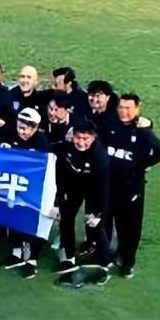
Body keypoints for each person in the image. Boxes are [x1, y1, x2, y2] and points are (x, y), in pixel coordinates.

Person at [100, 94, 160, 278]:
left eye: (128, 108)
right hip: (109, 184)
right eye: (121, 107)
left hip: (131, 188)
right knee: (105, 220)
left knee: (129, 227)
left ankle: (128, 261)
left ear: (137, 109)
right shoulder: (110, 124)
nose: (124, 112)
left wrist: (141, 165)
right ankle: (106, 256)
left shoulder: (142, 130)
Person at [50, 119, 112, 286]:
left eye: (86, 139)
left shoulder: (100, 157)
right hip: (72, 187)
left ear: (93, 138)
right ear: (73, 135)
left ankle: (105, 264)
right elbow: (59, 175)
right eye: (78, 138)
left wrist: (98, 213)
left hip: (93, 190)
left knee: (95, 226)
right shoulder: (66, 147)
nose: (81, 142)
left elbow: (103, 188)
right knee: (66, 219)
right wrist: (57, 201)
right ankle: (68, 257)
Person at [0, 108, 52, 279]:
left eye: (26, 129)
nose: (22, 132)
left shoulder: (42, 143)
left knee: (32, 221)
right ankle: (15, 253)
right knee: (13, 217)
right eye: (19, 127)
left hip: (34, 190)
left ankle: (31, 259)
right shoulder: (7, 133)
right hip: (13, 185)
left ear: (35, 128)